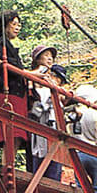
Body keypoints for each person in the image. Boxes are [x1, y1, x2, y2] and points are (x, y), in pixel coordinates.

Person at [0, 10, 29, 162]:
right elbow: (10, 68)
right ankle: (8, 165)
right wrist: (30, 74)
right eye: (14, 24)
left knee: (14, 133)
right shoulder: (1, 45)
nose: (17, 28)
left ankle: (8, 164)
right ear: (5, 26)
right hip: (9, 94)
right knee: (13, 132)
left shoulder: (6, 45)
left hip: (12, 93)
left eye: (19, 25)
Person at [28, 44, 64, 179]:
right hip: (40, 118)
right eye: (46, 55)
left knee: (53, 152)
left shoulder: (50, 78)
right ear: (37, 59)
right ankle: (40, 182)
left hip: (51, 118)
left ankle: (51, 181)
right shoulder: (35, 76)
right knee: (41, 151)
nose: (50, 59)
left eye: (51, 56)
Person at [69, 84, 97, 193]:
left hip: (78, 153)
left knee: (80, 185)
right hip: (94, 153)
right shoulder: (96, 114)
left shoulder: (72, 114)